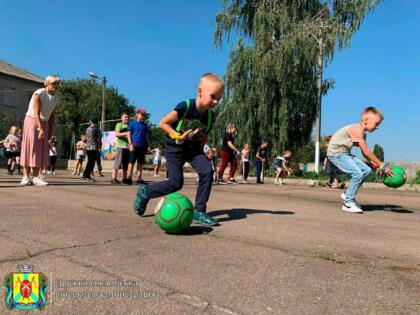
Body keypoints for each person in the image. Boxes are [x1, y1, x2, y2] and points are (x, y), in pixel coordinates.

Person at [133, 73, 224, 226]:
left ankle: (199, 211)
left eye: (219, 99)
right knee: (176, 183)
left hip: (193, 149)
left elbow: (204, 135)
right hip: (175, 147)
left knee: (207, 171)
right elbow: (163, 123)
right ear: (200, 91)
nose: (216, 102)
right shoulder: (185, 106)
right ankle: (146, 192)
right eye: (213, 96)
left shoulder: (209, 117)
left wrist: (203, 151)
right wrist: (177, 135)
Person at [327, 106, 393, 213]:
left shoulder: (362, 133)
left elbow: (364, 153)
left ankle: (347, 193)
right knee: (357, 173)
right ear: (365, 120)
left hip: (345, 153)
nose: (378, 127)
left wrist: (373, 162)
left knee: (366, 171)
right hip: (336, 154)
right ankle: (348, 203)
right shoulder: (356, 129)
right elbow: (367, 151)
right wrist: (382, 165)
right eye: (377, 123)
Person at [20, 75, 60, 186]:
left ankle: (36, 177)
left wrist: (50, 131)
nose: (55, 86)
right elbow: (36, 112)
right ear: (46, 83)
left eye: (57, 84)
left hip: (45, 122)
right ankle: (25, 177)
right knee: (30, 147)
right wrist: (40, 127)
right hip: (32, 121)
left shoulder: (56, 98)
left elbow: (52, 115)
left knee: (40, 150)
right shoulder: (39, 93)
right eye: (53, 83)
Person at [127, 108, 149, 185]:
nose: (143, 116)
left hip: (142, 147)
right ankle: (129, 178)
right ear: (137, 115)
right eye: (141, 114)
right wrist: (130, 144)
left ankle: (139, 179)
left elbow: (146, 136)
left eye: (144, 115)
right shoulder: (132, 123)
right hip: (134, 146)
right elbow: (128, 134)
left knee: (140, 163)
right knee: (131, 162)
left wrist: (148, 145)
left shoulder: (145, 125)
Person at [111, 112, 132, 184]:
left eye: (128, 117)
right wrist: (126, 133)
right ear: (121, 118)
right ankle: (113, 178)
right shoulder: (119, 124)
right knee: (117, 163)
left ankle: (124, 178)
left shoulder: (130, 125)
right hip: (120, 146)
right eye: (125, 117)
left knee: (125, 164)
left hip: (128, 147)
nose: (127, 118)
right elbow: (117, 134)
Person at [82, 115, 102, 182]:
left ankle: (87, 175)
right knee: (91, 163)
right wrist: (99, 145)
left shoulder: (88, 128)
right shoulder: (96, 129)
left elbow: (86, 138)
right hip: (94, 148)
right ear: (97, 121)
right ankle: (86, 176)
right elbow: (98, 139)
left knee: (89, 162)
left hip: (88, 147)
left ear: (91, 121)